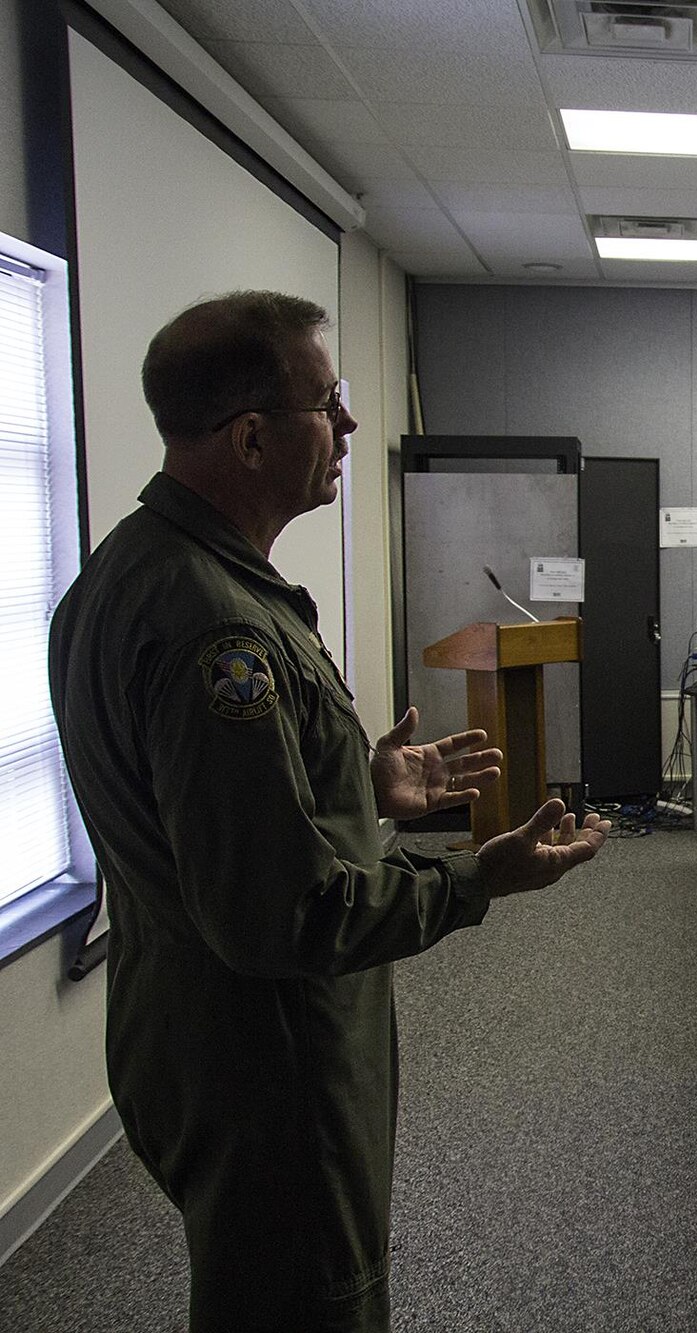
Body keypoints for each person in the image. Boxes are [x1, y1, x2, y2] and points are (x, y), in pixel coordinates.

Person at [46, 291, 610, 1333]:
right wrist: (481, 874)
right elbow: (279, 914)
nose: (350, 428)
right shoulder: (220, 632)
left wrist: (362, 789)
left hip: (187, 1024)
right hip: (269, 1059)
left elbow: (205, 817)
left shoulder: (124, 576)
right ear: (251, 436)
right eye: (327, 405)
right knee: (309, 1301)